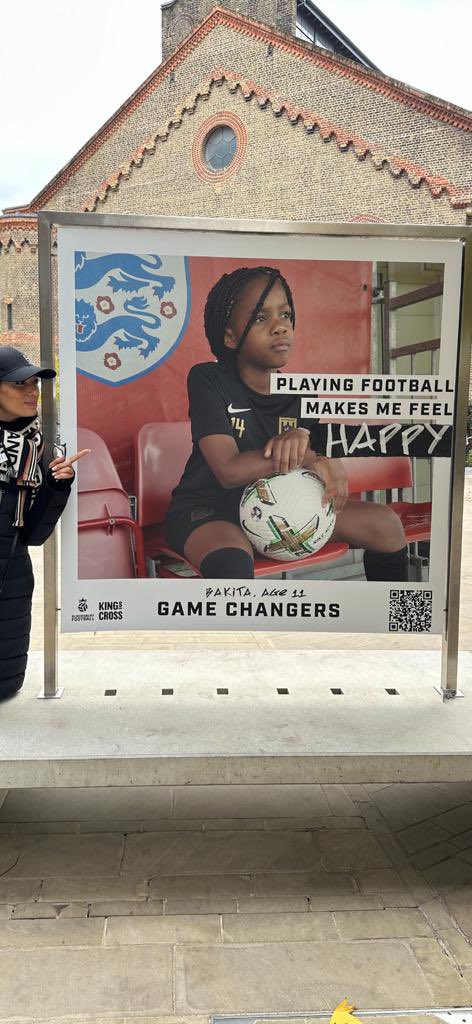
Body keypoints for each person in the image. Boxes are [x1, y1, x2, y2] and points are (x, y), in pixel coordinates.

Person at [165, 266, 408, 581]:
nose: (280, 327)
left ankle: (400, 613)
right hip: (213, 512)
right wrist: (312, 454)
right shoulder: (208, 379)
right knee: (232, 562)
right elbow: (229, 471)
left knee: (386, 524)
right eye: (260, 318)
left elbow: (308, 471)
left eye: (286, 315)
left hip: (282, 510)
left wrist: (318, 457)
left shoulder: (302, 392)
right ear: (230, 336)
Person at [0, 346, 89, 701]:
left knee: (5, 686)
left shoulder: (40, 450)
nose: (32, 391)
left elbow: (34, 536)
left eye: (34, 383)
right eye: (18, 384)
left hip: (12, 578)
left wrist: (56, 486)